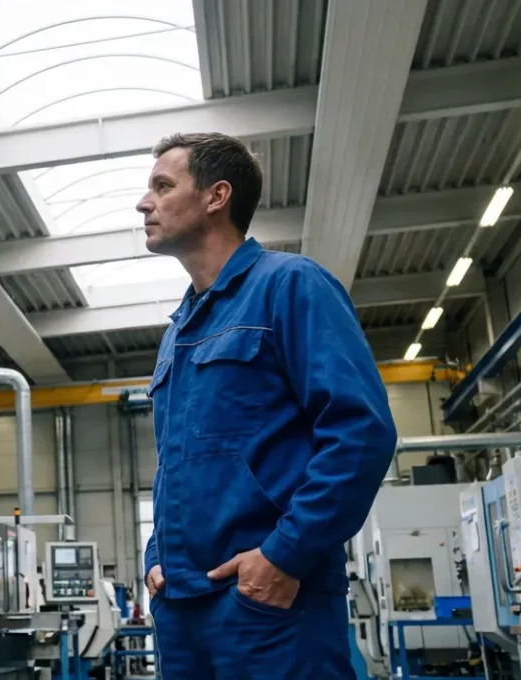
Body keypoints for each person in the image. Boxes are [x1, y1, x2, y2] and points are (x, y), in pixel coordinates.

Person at [136, 132, 397, 679]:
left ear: (217, 196)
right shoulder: (179, 331)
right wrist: (156, 555)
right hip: (181, 610)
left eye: (162, 186)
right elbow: (175, 466)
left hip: (269, 603)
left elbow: (360, 432)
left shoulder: (291, 286)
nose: (144, 203)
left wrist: (285, 553)